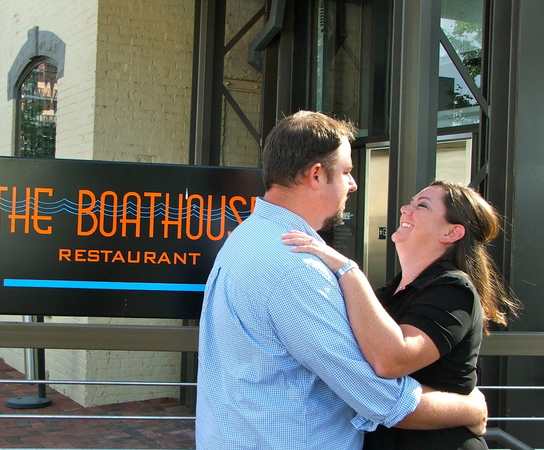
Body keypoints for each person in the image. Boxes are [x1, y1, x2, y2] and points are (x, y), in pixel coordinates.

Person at [196, 111, 487, 450]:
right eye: (347, 171)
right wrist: (470, 408)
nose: (353, 184)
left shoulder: (247, 236)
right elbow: (379, 397)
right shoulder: (296, 268)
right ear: (317, 175)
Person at [283, 180, 521, 449]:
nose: (405, 209)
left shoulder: (454, 289)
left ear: (452, 232)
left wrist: (347, 269)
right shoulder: (390, 292)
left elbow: (392, 360)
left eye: (422, 206)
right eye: (411, 202)